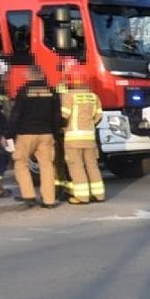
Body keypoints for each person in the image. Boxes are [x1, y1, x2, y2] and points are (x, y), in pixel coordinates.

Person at [7, 65, 63, 209]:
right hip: (46, 134)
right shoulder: (52, 92)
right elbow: (56, 116)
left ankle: (29, 196)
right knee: (47, 166)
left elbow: (16, 115)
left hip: (26, 134)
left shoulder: (24, 92)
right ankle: (49, 200)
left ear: (29, 76)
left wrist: (9, 134)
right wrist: (57, 134)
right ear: (42, 75)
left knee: (21, 164)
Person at [60, 70, 105, 204]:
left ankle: (82, 196)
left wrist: (61, 128)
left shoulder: (68, 96)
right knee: (92, 166)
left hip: (73, 139)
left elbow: (64, 117)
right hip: (90, 138)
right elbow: (98, 117)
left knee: (77, 167)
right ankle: (99, 194)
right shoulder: (93, 96)